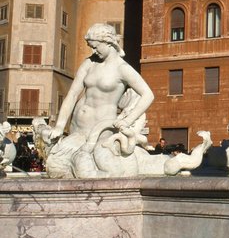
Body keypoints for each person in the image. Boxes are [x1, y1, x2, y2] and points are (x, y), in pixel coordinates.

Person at [47, 23, 155, 177]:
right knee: (55, 167)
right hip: (77, 128)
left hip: (101, 131)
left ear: (108, 42)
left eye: (96, 47)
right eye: (91, 47)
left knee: (86, 166)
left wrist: (127, 120)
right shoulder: (89, 63)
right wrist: (59, 125)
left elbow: (148, 94)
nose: (93, 51)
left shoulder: (122, 68)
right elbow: (72, 95)